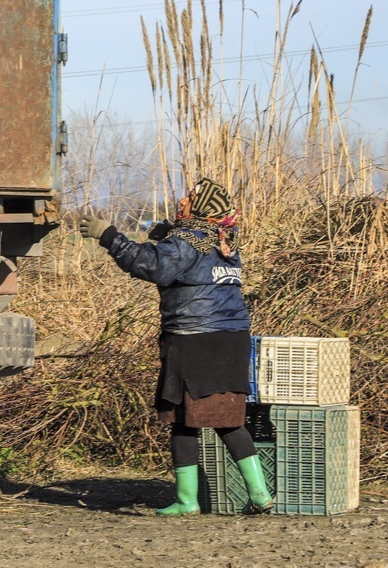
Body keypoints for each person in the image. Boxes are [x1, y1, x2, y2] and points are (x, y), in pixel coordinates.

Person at [78, 178, 274, 516]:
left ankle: (187, 500)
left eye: (191, 197)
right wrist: (164, 235)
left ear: (201, 209)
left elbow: (150, 265)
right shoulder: (225, 242)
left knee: (185, 417)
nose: (182, 199)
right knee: (227, 418)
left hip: (194, 339)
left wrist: (109, 236)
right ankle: (258, 494)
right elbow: (182, 260)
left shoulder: (186, 242)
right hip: (232, 339)